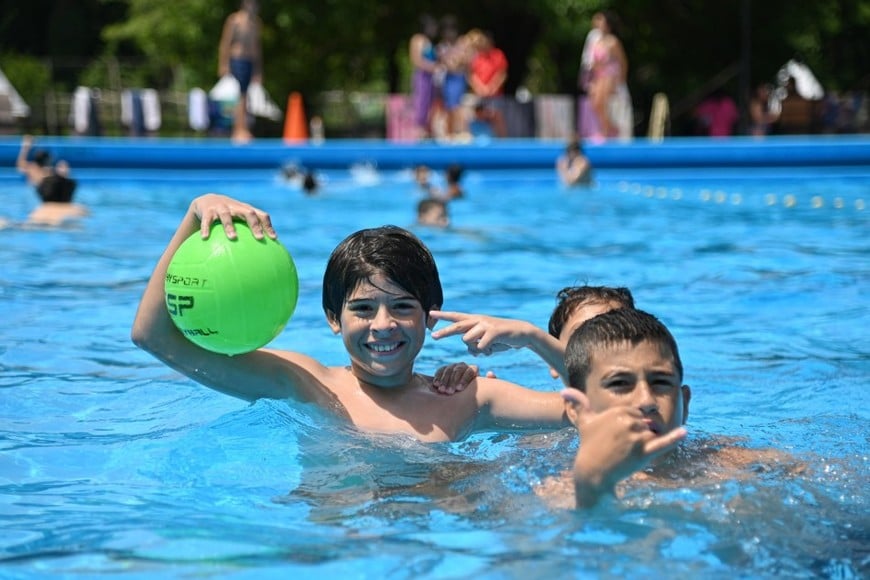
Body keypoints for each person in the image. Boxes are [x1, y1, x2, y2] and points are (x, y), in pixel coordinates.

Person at [131, 194, 571, 443]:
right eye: (362, 309)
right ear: (333, 319)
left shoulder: (469, 398)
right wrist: (194, 216)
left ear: (429, 318)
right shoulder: (306, 385)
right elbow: (153, 336)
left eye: (402, 307)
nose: (383, 324)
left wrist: (533, 337)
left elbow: (603, 408)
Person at [560, 307, 799, 509]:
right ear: (577, 410)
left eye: (661, 382)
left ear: (685, 403)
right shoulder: (563, 493)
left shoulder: (739, 463)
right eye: (620, 383)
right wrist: (594, 486)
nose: (646, 401)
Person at [429, 285, 635, 393]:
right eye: (584, 337)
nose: (603, 346)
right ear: (552, 366)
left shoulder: (658, 406)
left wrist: (530, 337)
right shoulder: (541, 429)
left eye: (616, 333)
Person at [13, 135, 88, 227]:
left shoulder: (31, 169)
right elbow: (63, 183)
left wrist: (25, 147)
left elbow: (19, 165)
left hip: (40, 201)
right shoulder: (48, 172)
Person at [218, 0, 263, 144]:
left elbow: (257, 48)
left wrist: (258, 70)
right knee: (239, 96)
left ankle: (244, 129)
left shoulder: (255, 23)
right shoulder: (234, 20)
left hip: (249, 61)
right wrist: (223, 64)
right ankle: (237, 130)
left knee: (246, 96)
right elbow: (225, 43)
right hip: (236, 60)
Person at [585, 11, 633, 141]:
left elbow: (623, 62)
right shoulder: (595, 41)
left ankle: (605, 131)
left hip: (610, 75)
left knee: (601, 101)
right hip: (599, 75)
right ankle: (609, 127)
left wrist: (621, 80)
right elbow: (592, 62)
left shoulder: (613, 42)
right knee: (594, 102)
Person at [436, 15, 472, 140]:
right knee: (450, 107)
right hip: (449, 80)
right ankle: (449, 133)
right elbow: (449, 65)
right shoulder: (441, 47)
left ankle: (463, 132)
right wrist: (456, 61)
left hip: (460, 79)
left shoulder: (462, 43)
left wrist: (456, 61)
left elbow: (466, 60)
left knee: (459, 106)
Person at [466, 29, 508, 138]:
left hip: (495, 94)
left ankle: (502, 140)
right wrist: (480, 88)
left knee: (496, 115)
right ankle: (480, 138)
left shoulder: (498, 55)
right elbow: (471, 75)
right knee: (477, 115)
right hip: (480, 93)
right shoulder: (476, 57)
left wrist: (492, 87)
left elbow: (502, 73)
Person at [409, 14, 441, 141]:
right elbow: (417, 60)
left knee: (430, 106)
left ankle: (427, 132)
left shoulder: (429, 41)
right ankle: (418, 133)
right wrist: (434, 67)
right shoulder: (417, 39)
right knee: (421, 104)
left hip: (431, 78)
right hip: (422, 78)